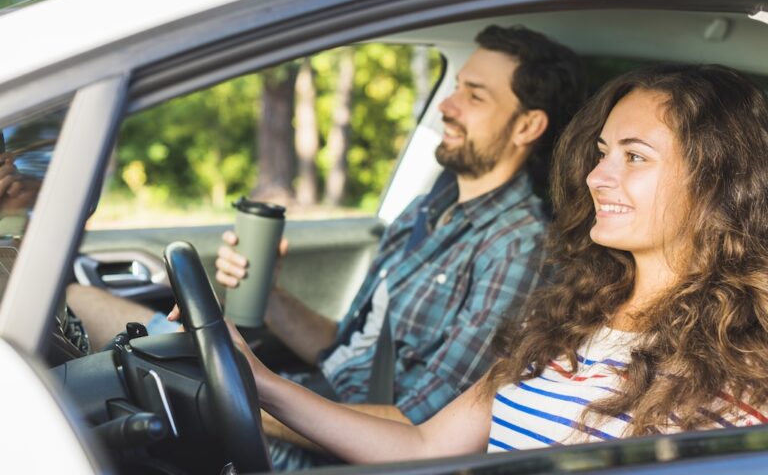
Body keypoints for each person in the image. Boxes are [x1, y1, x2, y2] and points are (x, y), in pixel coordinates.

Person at [69, 25, 586, 469]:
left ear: (527, 126)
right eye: (455, 87)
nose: (447, 106)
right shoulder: (428, 208)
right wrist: (269, 295)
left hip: (329, 448)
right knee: (80, 304)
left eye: (475, 95)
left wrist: (251, 397)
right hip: (311, 395)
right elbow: (346, 347)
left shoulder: (519, 248)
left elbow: (421, 427)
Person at [224, 63, 768, 462]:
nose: (597, 176)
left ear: (717, 180)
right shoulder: (568, 315)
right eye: (602, 152)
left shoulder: (744, 364)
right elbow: (423, 444)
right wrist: (262, 383)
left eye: (634, 156)